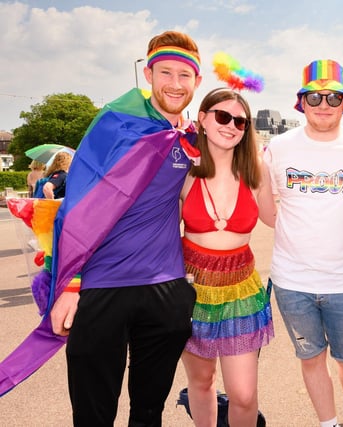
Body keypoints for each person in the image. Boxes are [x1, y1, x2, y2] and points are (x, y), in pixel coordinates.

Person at [49, 30, 202, 425]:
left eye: (184, 76)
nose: (175, 83)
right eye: (165, 72)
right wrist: (68, 284)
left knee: (149, 411)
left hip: (165, 289)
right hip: (102, 287)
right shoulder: (114, 125)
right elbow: (76, 206)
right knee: (93, 412)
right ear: (148, 75)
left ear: (197, 82)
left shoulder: (192, 139)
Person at [264, 59, 343, 427]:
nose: (323, 104)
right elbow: (265, 209)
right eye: (314, 97)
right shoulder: (278, 147)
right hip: (292, 281)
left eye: (333, 97)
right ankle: (327, 422)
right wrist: (302, 233)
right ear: (301, 102)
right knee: (310, 358)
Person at [180, 88, 277, 426]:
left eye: (240, 121)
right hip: (192, 289)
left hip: (241, 288)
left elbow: (280, 219)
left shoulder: (257, 170)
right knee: (202, 381)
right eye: (222, 116)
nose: (231, 125)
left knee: (244, 394)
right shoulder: (184, 171)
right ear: (203, 119)